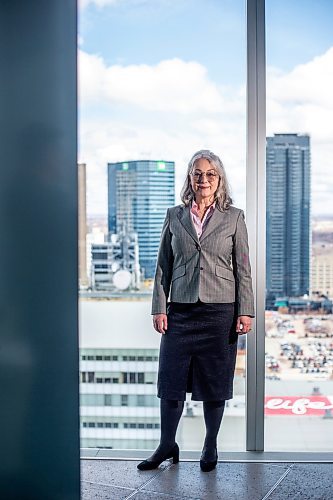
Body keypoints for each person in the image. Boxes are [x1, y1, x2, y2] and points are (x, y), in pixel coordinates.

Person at [137, 149, 255, 472]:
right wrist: (159, 307)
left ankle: (210, 444)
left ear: (219, 180)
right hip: (181, 311)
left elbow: (243, 269)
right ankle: (167, 445)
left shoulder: (234, 217)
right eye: (197, 173)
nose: (203, 180)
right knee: (170, 380)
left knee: (215, 382)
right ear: (190, 178)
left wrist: (246, 311)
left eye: (210, 174)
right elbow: (163, 266)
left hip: (220, 313)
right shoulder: (174, 216)